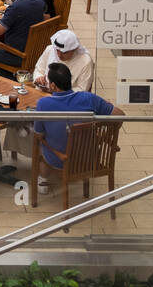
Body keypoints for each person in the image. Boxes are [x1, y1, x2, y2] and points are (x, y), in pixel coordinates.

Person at [31, 63, 123, 193]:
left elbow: (39, 134)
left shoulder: (43, 104)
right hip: (89, 158)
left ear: (52, 86)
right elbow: (120, 115)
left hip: (60, 159)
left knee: (38, 142)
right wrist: (105, 137)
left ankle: (43, 179)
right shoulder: (89, 98)